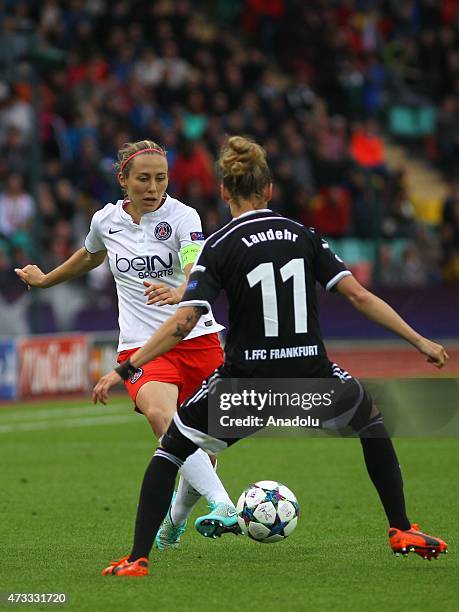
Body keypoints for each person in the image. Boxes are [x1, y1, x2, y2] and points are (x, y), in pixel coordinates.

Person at [93, 136, 449, 577]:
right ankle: (401, 529)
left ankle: (137, 558)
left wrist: (126, 365)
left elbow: (183, 323)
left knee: (171, 451)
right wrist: (419, 341)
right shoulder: (304, 235)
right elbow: (357, 296)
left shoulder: (219, 245)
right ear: (271, 190)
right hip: (311, 378)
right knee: (371, 420)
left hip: (248, 386)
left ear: (224, 191)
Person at [14, 139, 239, 549]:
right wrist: (45, 278)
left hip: (198, 339)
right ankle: (224, 504)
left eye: (161, 178)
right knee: (162, 418)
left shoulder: (183, 216)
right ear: (124, 180)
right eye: (144, 179)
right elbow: (89, 255)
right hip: (141, 346)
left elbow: (194, 264)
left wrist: (180, 291)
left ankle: (175, 518)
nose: (153, 187)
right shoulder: (106, 221)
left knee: (202, 450)